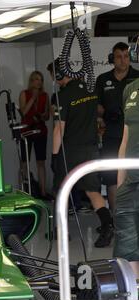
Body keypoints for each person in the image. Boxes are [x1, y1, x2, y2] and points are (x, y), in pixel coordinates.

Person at [48, 59, 114, 248]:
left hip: (70, 151)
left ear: (60, 74)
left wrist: (54, 156)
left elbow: (59, 130)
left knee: (61, 190)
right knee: (92, 191)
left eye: (54, 75)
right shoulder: (90, 90)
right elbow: (99, 114)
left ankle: (61, 231)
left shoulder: (63, 95)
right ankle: (107, 225)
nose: (55, 79)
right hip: (92, 149)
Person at [95, 42, 139, 221]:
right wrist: (103, 114)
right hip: (111, 135)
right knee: (112, 177)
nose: (123, 60)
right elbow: (96, 106)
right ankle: (115, 219)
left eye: (126, 56)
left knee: (134, 176)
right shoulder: (103, 79)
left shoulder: (137, 78)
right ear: (113, 58)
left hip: (135, 136)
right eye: (119, 56)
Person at [113, 78, 139, 279]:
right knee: (127, 248)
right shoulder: (130, 89)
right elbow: (126, 136)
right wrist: (120, 182)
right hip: (130, 184)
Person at [19, 71, 51, 199]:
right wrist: (33, 98)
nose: (39, 82)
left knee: (41, 162)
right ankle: (23, 190)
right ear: (31, 81)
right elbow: (23, 112)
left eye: (41, 79)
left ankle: (43, 191)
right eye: (36, 79)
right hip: (26, 130)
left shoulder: (45, 95)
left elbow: (47, 116)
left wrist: (42, 116)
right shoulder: (24, 94)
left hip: (40, 130)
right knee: (24, 161)